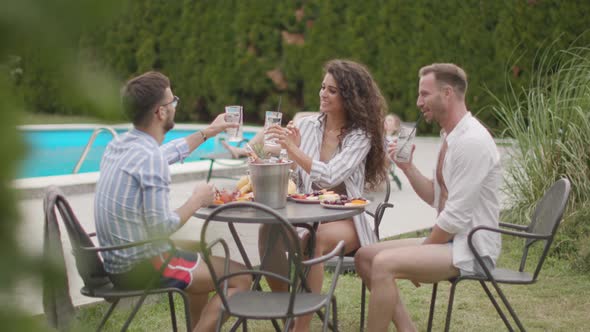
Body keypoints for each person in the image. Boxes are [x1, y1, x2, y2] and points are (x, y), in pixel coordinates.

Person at [94, 71, 251, 332]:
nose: (175, 106)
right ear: (160, 112)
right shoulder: (150, 159)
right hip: (142, 265)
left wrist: (209, 132)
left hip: (116, 261)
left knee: (203, 260)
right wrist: (197, 200)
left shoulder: (119, 146)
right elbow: (161, 227)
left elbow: (164, 153)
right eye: (172, 102)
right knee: (241, 278)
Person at [354, 63, 502, 332]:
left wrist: (419, 253)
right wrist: (407, 167)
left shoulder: (472, 142)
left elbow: (454, 217)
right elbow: (437, 197)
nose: (418, 102)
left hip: (470, 248)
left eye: (424, 94)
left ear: (447, 93)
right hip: (452, 240)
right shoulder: (451, 136)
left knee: (384, 263)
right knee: (364, 257)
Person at [264, 59, 388, 331]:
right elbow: (299, 179)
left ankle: (301, 326)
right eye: (323, 87)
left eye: (332, 90)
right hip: (307, 213)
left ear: (350, 96)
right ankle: (290, 303)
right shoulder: (308, 126)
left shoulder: (360, 135)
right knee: (267, 232)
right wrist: (283, 157)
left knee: (313, 240)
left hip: (348, 218)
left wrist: (294, 151)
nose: (323, 93)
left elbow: (331, 176)